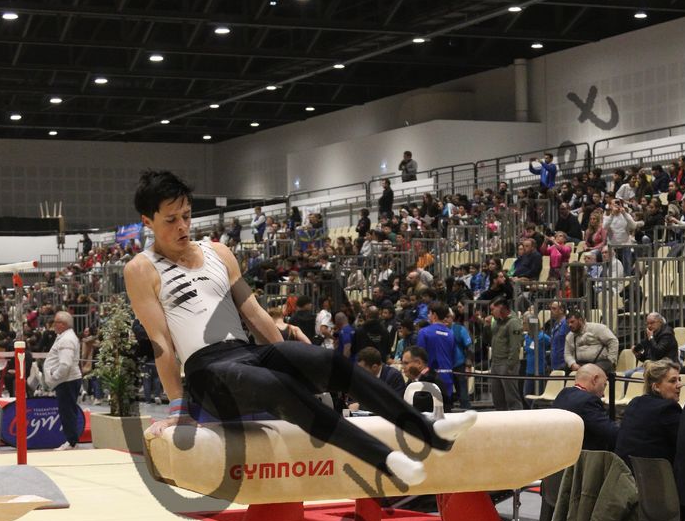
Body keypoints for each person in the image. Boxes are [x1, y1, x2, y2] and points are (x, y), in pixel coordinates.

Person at [124, 170, 473, 489]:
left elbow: (254, 313)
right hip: (207, 373)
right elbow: (161, 342)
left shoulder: (218, 252)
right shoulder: (141, 269)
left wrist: (286, 357)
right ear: (147, 221)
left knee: (326, 361)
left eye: (186, 216)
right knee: (276, 386)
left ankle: (427, 430)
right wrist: (177, 407)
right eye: (171, 220)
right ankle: (386, 460)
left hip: (246, 352)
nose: (183, 226)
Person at [615, 358, 682, 468]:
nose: (680, 385)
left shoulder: (634, 402)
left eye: (679, 380)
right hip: (653, 475)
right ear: (656, 387)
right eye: (673, 381)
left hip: (623, 474)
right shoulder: (668, 409)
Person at [553, 364, 619, 451]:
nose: (603, 393)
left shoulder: (563, 394)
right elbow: (610, 432)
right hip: (584, 456)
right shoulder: (588, 401)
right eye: (604, 385)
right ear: (595, 379)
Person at [43, 310, 83, 449]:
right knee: (68, 410)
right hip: (66, 380)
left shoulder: (67, 339)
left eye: (56, 322)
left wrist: (54, 377)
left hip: (66, 381)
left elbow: (65, 364)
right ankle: (72, 440)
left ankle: (71, 442)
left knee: (67, 412)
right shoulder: (65, 337)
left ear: (63, 324)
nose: (54, 325)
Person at [489, 298, 524, 411]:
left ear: (501, 307)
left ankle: (517, 420)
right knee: (497, 398)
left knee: (512, 398)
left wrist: (510, 366)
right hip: (495, 363)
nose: (491, 312)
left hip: (506, 364)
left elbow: (515, 347)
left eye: (493, 309)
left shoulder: (513, 322)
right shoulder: (498, 322)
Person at [416, 302, 455, 404]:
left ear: (434, 315)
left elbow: (419, 358)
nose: (428, 316)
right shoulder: (451, 333)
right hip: (448, 376)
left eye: (429, 313)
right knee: (446, 410)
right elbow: (452, 356)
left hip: (430, 378)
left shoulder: (424, 332)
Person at [564, 308, 619, 376]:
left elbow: (613, 341)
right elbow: (567, 354)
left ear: (580, 320)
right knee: (563, 370)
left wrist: (611, 360)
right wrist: (572, 364)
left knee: (591, 371)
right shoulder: (569, 336)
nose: (569, 325)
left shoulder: (598, 328)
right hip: (580, 364)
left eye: (572, 322)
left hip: (600, 362)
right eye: (568, 323)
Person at [547, 300, 569, 372]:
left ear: (561, 310)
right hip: (555, 364)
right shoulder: (555, 324)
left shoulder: (567, 324)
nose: (551, 311)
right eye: (551, 308)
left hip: (563, 365)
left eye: (554, 309)